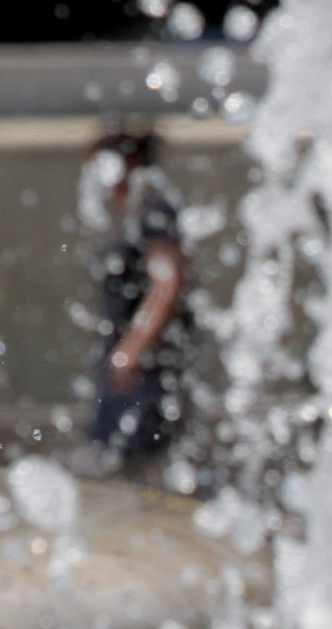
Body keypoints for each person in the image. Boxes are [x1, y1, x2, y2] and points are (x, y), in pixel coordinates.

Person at [82, 128, 191, 479]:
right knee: (114, 457)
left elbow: (168, 282)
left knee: (133, 457)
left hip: (143, 363)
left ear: (128, 162)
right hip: (126, 354)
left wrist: (132, 350)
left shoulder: (153, 208)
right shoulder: (133, 211)